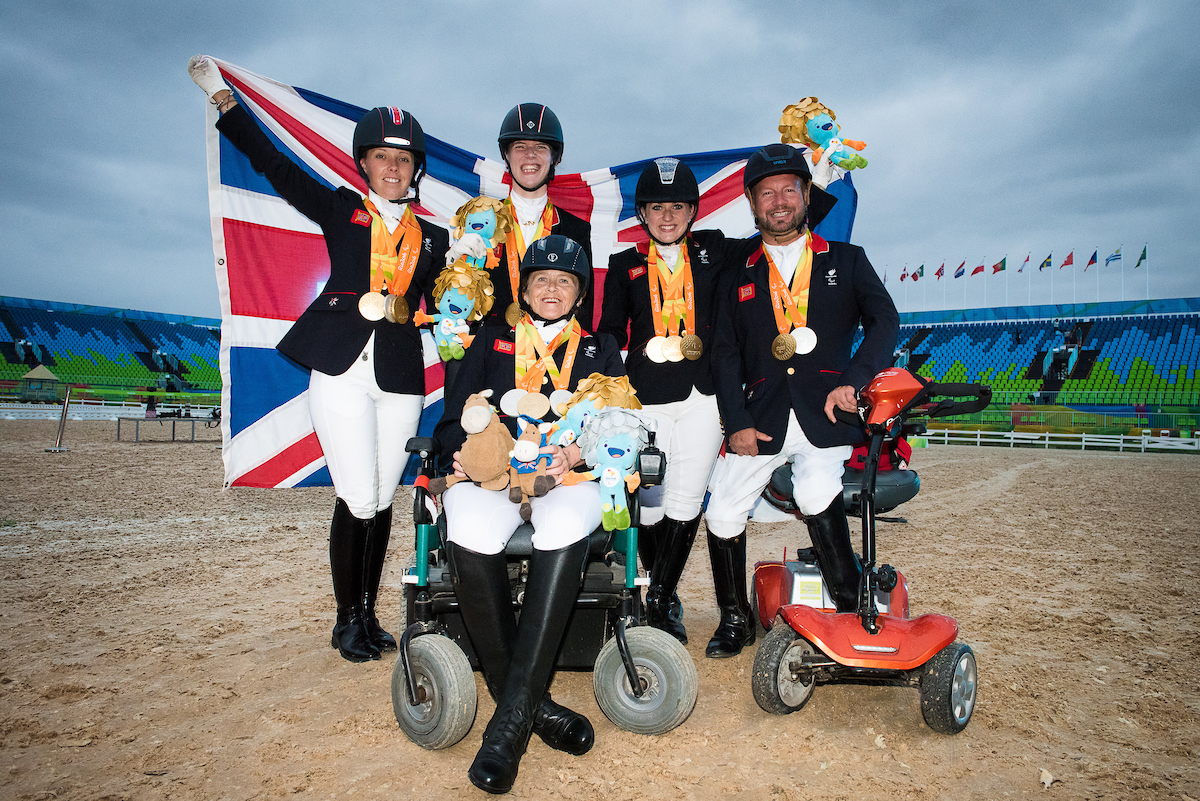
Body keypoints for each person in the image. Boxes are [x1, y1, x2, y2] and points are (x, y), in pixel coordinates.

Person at [188, 56, 446, 663]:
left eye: (403, 158)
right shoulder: (339, 208)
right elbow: (276, 166)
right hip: (339, 367)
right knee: (355, 496)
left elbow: (452, 300)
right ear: (365, 163)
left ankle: (369, 614)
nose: (392, 167)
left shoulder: (434, 239)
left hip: (401, 376)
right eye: (382, 156)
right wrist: (228, 105)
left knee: (382, 497)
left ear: (415, 169)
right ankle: (345, 618)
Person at [434, 235, 623, 794]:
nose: (552, 288)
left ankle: (507, 727)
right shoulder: (489, 338)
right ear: (524, 288)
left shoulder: (601, 348)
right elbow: (449, 419)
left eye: (565, 281)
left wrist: (577, 451)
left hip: (568, 475)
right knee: (468, 525)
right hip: (494, 476)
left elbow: (620, 423)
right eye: (541, 278)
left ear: (580, 293)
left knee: (564, 524)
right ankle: (533, 709)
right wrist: (468, 450)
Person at [705, 143, 899, 657]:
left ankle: (852, 603)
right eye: (766, 193)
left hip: (826, 413)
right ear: (751, 203)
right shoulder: (736, 271)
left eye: (789, 189)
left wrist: (855, 382)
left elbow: (886, 322)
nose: (779, 201)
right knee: (722, 510)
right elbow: (724, 354)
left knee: (816, 492)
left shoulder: (848, 259)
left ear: (807, 195)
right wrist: (735, 420)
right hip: (760, 417)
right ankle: (733, 619)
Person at [597, 158, 736, 645]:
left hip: (703, 394)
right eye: (657, 207)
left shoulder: (715, 250)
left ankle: (658, 601)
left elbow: (786, 234)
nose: (668, 217)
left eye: (677, 206)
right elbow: (610, 328)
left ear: (693, 210)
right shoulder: (624, 264)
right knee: (650, 503)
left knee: (686, 495)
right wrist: (615, 367)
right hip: (647, 397)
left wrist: (818, 179)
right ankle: (666, 591)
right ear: (642, 213)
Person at [452, 104, 595, 332]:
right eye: (520, 146)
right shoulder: (478, 219)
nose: (530, 154)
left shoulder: (576, 229)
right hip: (490, 352)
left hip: (553, 356)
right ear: (506, 156)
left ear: (554, 158)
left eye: (541, 146)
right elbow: (457, 294)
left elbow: (583, 307)